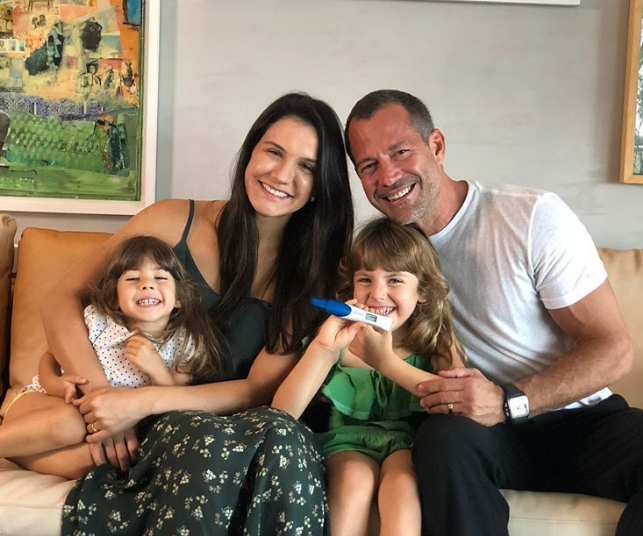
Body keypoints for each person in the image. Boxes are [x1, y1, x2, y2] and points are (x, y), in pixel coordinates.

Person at [40, 92, 354, 535]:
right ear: (251, 152)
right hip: (152, 428)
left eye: (306, 166)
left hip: (232, 429)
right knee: (200, 443)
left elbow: (257, 391)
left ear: (322, 185)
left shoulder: (314, 274)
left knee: (283, 437)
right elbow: (60, 298)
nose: (283, 175)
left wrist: (140, 402)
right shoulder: (173, 221)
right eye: (274, 152)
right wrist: (103, 401)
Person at [344, 89, 643, 536]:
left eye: (400, 152)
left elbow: (614, 349)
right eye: (369, 165)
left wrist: (509, 401)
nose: (387, 175)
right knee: (442, 439)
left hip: (583, 420)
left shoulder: (530, 217)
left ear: (437, 146)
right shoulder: (386, 256)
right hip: (481, 434)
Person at [273, 217, 465, 536]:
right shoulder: (337, 339)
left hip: (405, 444)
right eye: (365, 279)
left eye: (394, 280)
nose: (377, 294)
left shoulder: (434, 338)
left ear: (423, 291)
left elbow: (455, 399)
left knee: (402, 486)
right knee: (354, 479)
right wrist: (323, 348)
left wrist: (385, 361)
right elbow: (282, 414)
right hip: (343, 444)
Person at [0, 235, 222, 478]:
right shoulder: (99, 323)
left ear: (179, 298)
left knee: (99, 459)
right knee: (71, 423)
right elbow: (49, 358)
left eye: (160, 277)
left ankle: (16, 452)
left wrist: (156, 368)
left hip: (99, 430)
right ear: (115, 299)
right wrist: (55, 384)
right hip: (42, 406)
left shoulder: (184, 343)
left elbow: (177, 399)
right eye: (133, 278)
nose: (147, 285)